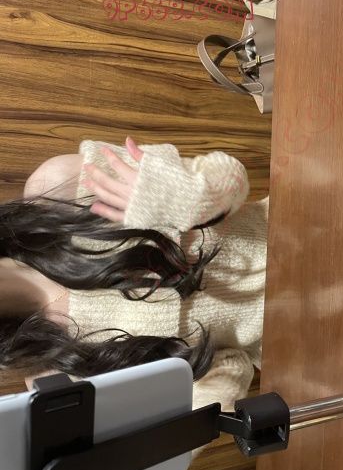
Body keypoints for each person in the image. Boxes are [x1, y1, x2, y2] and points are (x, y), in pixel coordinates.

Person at [0, 137, 267, 412]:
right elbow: (233, 365)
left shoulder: (57, 190)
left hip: (290, 225)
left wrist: (181, 196)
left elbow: (231, 176)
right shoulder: (52, 372)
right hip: (286, 337)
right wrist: (195, 416)